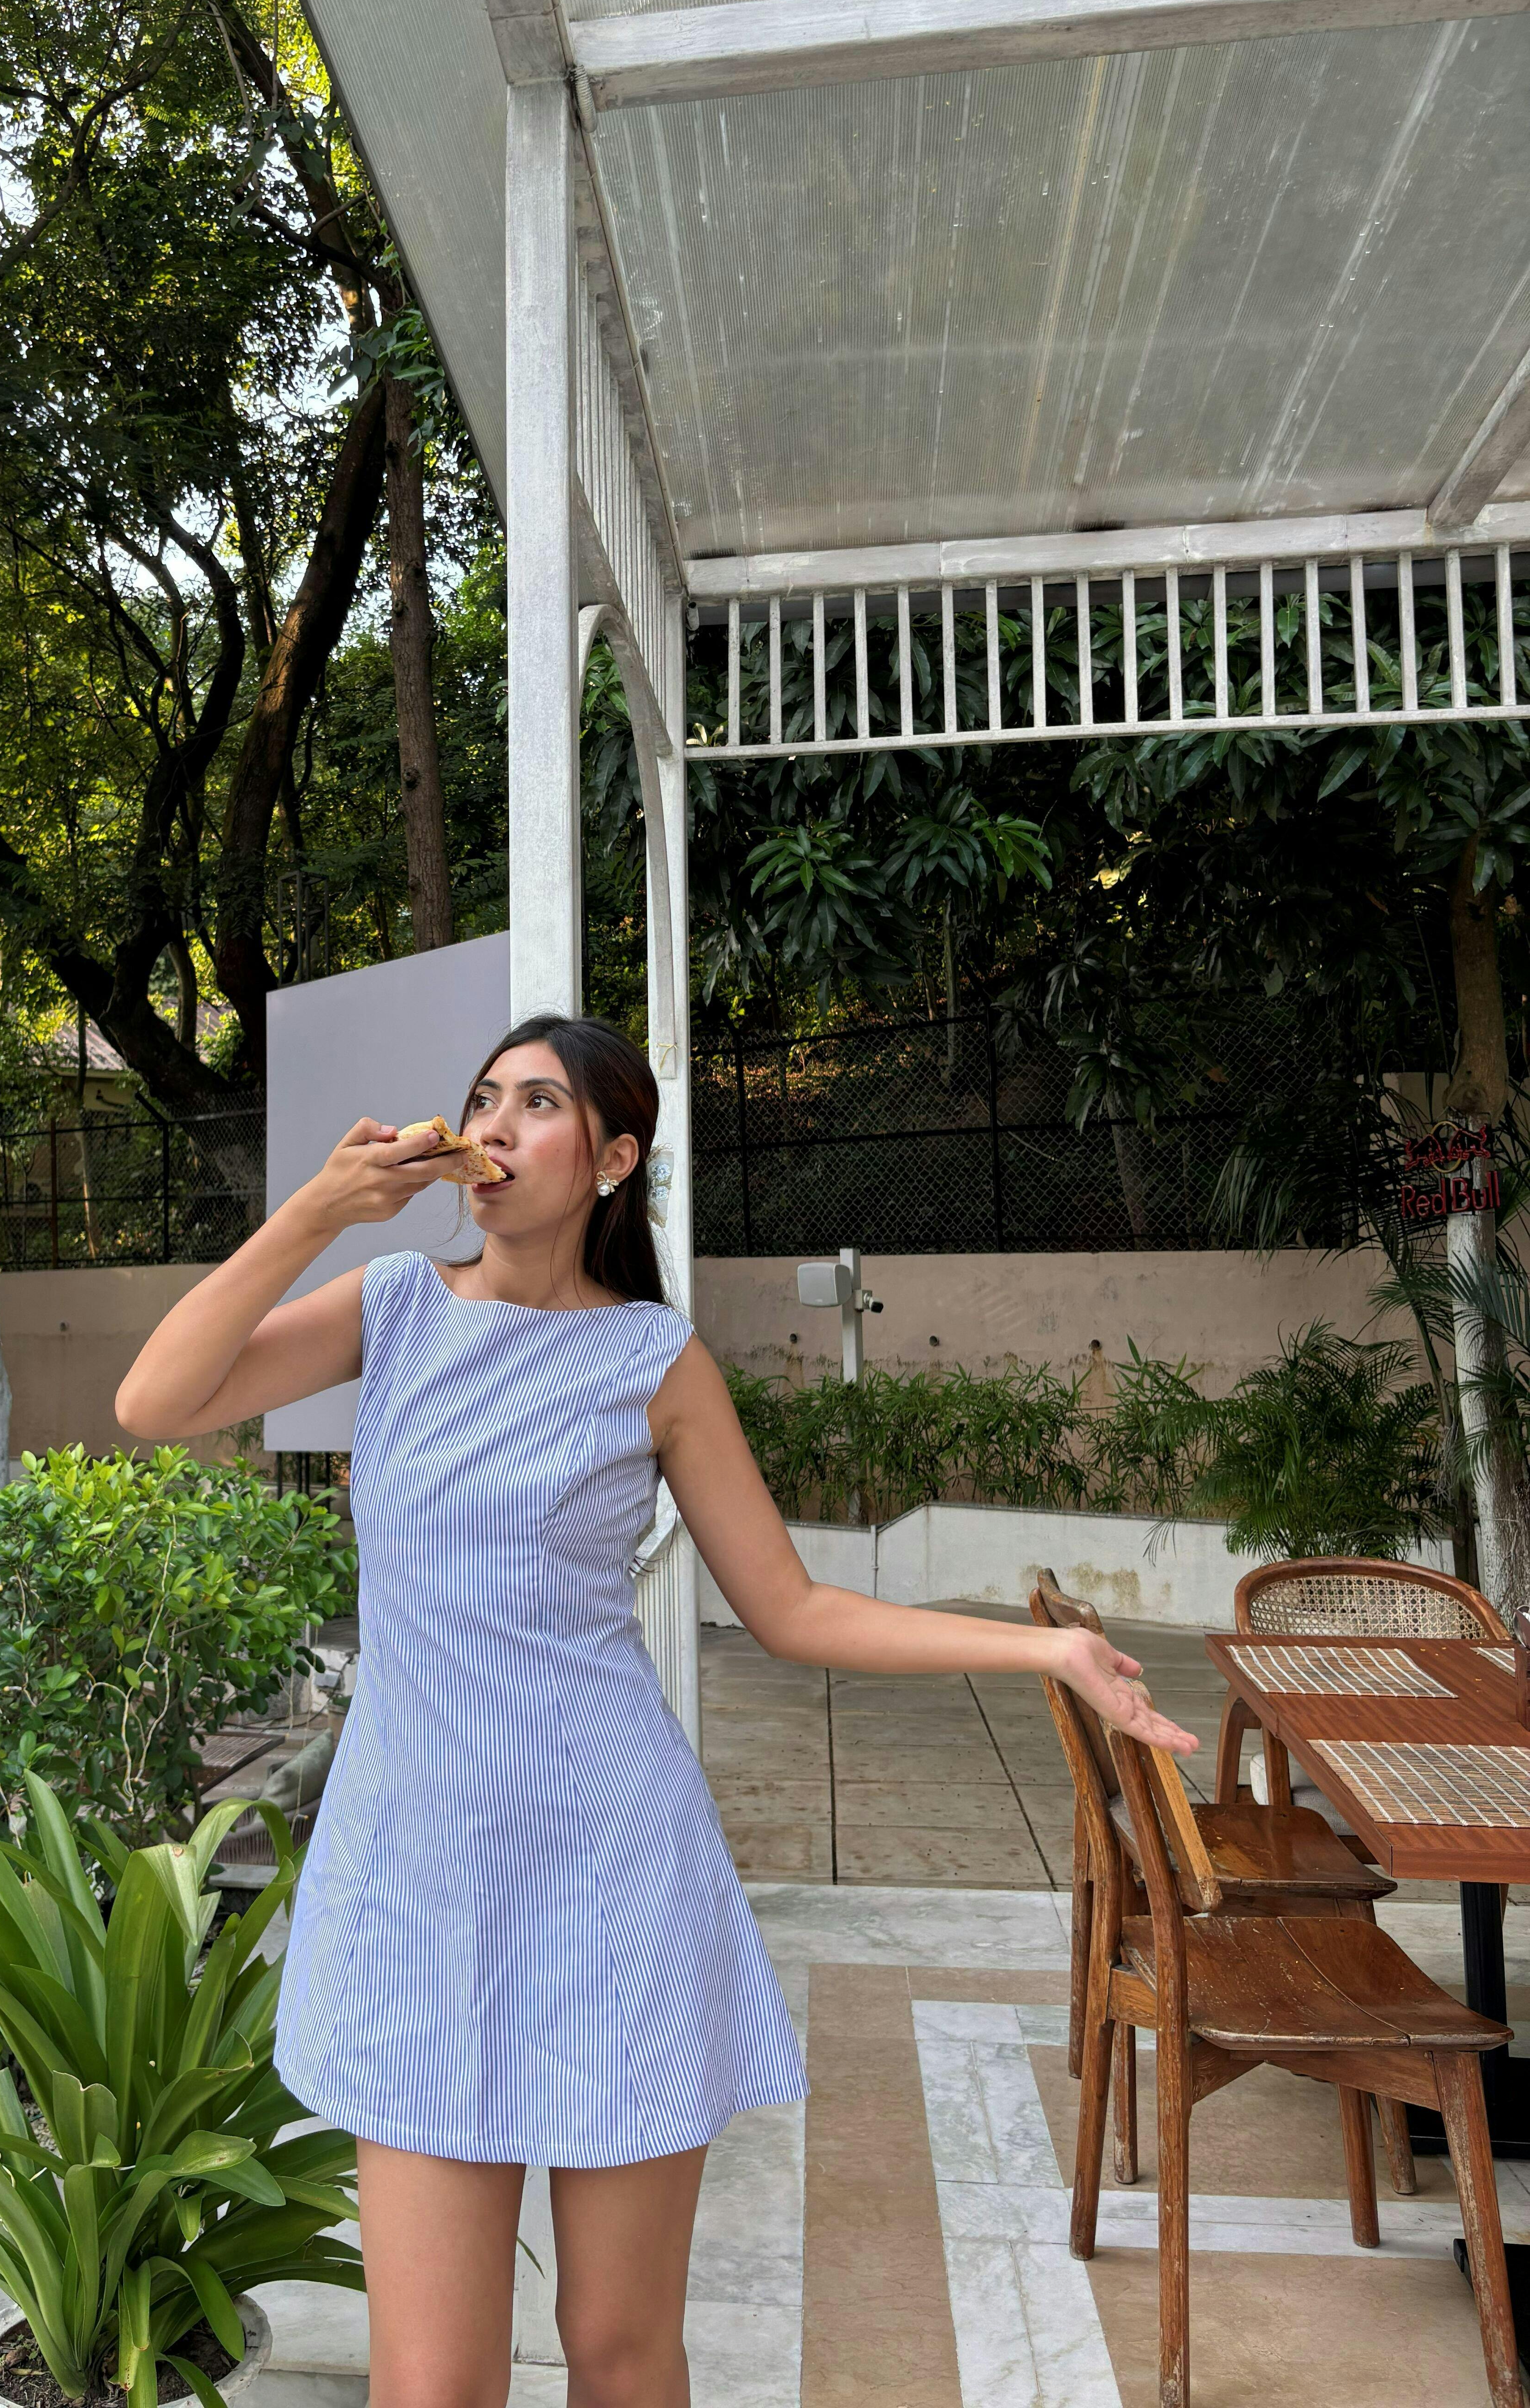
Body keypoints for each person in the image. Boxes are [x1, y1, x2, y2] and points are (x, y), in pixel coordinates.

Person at [116, 1012, 1196, 2408]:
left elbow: (790, 1608)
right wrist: (319, 1209)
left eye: (538, 1103)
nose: (493, 1126)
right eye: (484, 1098)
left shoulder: (653, 1360)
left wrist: (1042, 1651)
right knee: (432, 2380)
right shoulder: (392, 1306)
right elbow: (154, 1402)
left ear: (614, 1158)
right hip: (421, 1883)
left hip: (609, 1872)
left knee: (620, 2354)